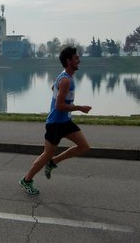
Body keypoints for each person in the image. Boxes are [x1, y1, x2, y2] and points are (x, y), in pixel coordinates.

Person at [19, 46, 91, 195]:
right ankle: (26, 180)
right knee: (46, 154)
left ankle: (54, 162)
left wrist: (62, 96)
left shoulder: (65, 77)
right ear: (68, 61)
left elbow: (53, 88)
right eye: (76, 58)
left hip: (64, 121)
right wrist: (79, 108)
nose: (79, 60)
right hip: (55, 123)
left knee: (84, 146)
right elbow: (59, 105)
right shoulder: (66, 80)